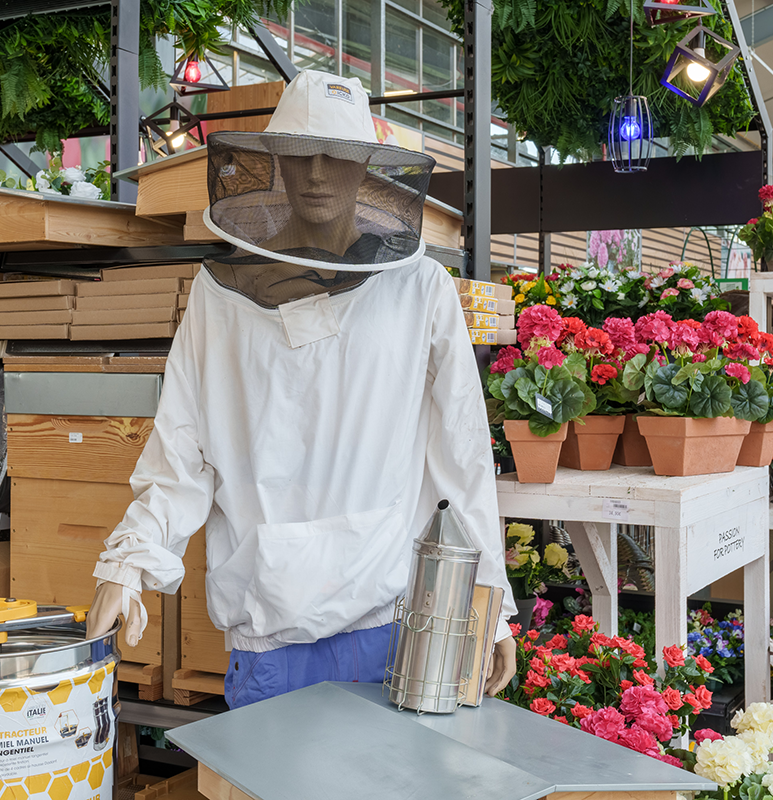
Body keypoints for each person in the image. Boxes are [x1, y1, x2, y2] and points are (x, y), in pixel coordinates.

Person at [84, 70, 517, 708]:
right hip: (267, 632)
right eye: (300, 153)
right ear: (275, 163)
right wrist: (129, 563)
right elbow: (183, 448)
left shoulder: (419, 288)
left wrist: (491, 603)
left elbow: (463, 458)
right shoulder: (218, 294)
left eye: (337, 155)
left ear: (365, 166)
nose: (317, 172)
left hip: (391, 624)